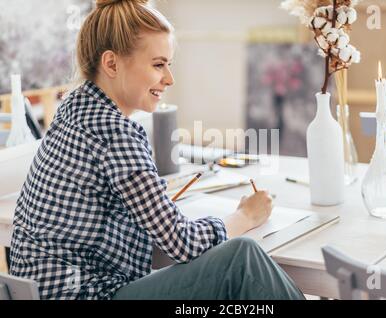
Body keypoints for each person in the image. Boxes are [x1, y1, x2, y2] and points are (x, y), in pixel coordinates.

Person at [9, 0, 304, 300]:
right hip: (88, 295)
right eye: (158, 64)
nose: (169, 78)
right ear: (111, 64)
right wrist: (245, 215)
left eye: (169, 64)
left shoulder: (74, 108)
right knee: (241, 260)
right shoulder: (116, 133)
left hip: (52, 291)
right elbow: (182, 244)